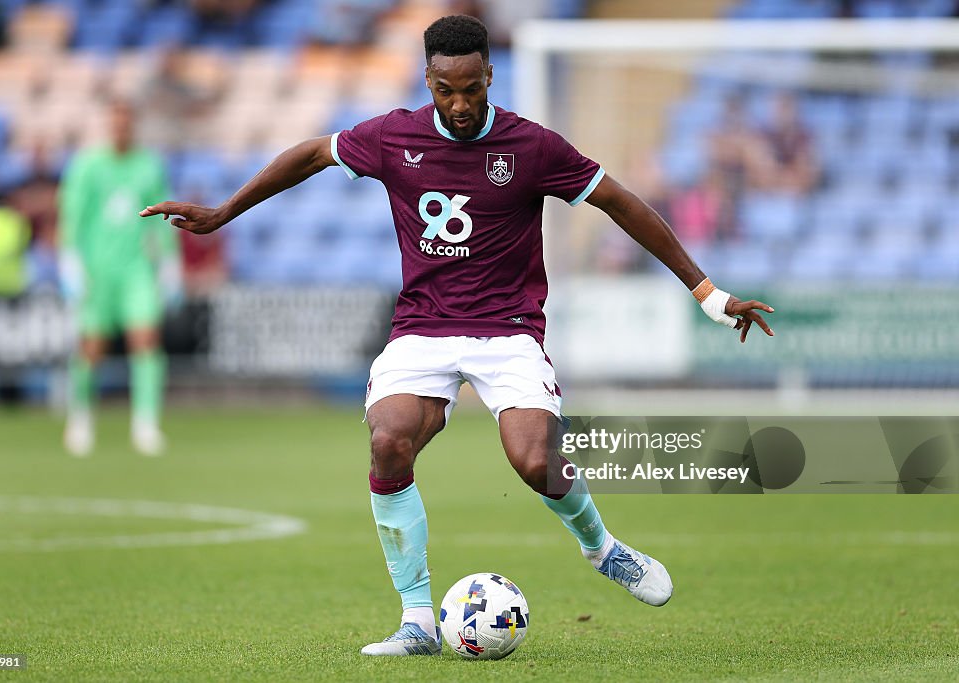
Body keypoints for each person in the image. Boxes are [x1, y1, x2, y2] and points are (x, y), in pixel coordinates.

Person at [141, 15, 774, 656]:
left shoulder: (532, 147)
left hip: (509, 331)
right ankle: (418, 621)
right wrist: (224, 212)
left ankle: (603, 549)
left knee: (535, 462)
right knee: (389, 442)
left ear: (490, 76)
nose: (461, 104)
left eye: (472, 89)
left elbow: (620, 201)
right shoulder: (394, 135)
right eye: (446, 90)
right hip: (423, 328)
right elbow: (310, 154)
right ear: (429, 81)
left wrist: (708, 292)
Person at [60, 100, 181, 457]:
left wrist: (170, 263)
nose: (120, 129)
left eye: (126, 122)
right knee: (91, 347)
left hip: (136, 270)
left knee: (145, 339)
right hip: (97, 271)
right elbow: (73, 214)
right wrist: (70, 260)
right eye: (115, 122)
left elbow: (161, 217)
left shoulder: (149, 164)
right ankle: (80, 418)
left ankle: (145, 423)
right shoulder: (87, 165)